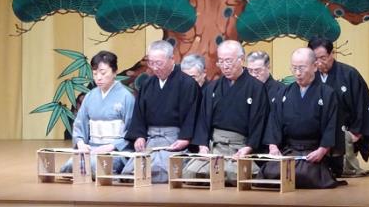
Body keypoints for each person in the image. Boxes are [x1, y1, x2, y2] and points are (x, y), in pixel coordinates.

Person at [186, 40, 270, 185]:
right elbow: (203, 120)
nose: (225, 66)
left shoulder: (256, 88)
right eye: (221, 61)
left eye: (229, 61)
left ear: (241, 59)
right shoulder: (212, 88)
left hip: (239, 147)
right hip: (215, 146)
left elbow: (259, 121)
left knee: (236, 175)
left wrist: (248, 148)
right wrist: (203, 146)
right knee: (190, 173)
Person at [258, 48, 341, 189]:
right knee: (270, 172)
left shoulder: (327, 94)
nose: (297, 73)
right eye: (294, 68)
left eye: (302, 68)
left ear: (314, 66)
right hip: (289, 150)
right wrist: (273, 147)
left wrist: (322, 150)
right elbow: (274, 120)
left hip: (313, 151)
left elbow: (332, 125)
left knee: (305, 174)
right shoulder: (284, 92)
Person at [122, 40, 201, 183]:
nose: (155, 68)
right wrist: (139, 136)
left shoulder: (188, 84)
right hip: (151, 140)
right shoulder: (147, 84)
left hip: (174, 140)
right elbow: (139, 114)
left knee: (160, 171)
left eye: (159, 63)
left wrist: (185, 138)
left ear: (172, 59)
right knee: (131, 172)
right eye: (151, 63)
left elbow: (193, 115)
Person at [308, 37, 369, 178]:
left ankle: (349, 167)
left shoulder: (349, 74)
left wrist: (356, 132)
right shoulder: (310, 76)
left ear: (332, 54)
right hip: (317, 128)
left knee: (344, 136)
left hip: (345, 128)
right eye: (315, 59)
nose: (319, 62)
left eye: (323, 57)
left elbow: (363, 104)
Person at [61, 51, 135, 177]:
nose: (98, 78)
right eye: (95, 74)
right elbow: (79, 125)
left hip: (115, 151)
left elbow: (131, 131)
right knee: (69, 167)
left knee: (96, 166)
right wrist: (80, 143)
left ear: (115, 72)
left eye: (103, 73)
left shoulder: (126, 97)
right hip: (91, 148)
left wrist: (112, 146)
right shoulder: (90, 96)